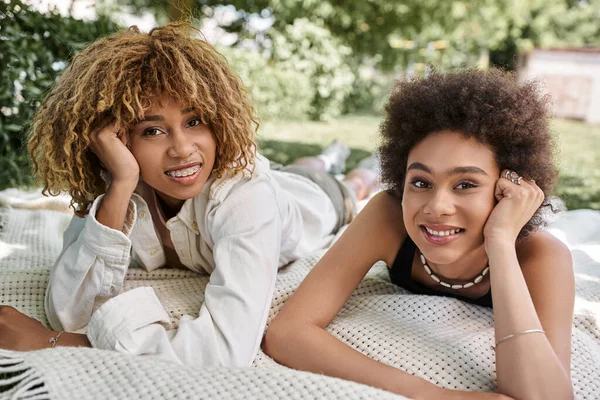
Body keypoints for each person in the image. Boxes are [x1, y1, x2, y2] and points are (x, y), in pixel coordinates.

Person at [0, 23, 377, 367]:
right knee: (304, 164)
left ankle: (352, 163)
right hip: (268, 176)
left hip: (311, 198)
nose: (182, 149)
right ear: (116, 140)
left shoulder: (247, 195)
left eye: (194, 121)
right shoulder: (119, 181)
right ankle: (327, 156)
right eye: (152, 131)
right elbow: (68, 310)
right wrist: (120, 184)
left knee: (346, 185)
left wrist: (59, 344)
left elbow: (225, 353)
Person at [264, 69, 575, 399]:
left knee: (350, 185)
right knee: (337, 185)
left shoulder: (541, 256)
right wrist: (432, 394)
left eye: (466, 184)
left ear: (506, 188)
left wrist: (499, 242)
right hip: (319, 193)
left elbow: (547, 396)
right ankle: (335, 161)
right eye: (421, 182)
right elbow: (286, 333)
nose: (437, 206)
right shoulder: (387, 215)